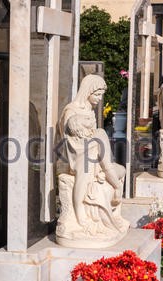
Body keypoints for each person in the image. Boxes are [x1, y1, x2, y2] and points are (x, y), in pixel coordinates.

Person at [55, 74, 129, 248]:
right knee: (88, 164)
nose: (99, 98)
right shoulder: (71, 110)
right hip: (79, 155)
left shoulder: (89, 112)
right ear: (87, 91)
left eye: (101, 94)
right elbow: (68, 136)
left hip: (93, 154)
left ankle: (114, 211)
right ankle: (81, 216)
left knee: (117, 168)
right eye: (96, 94)